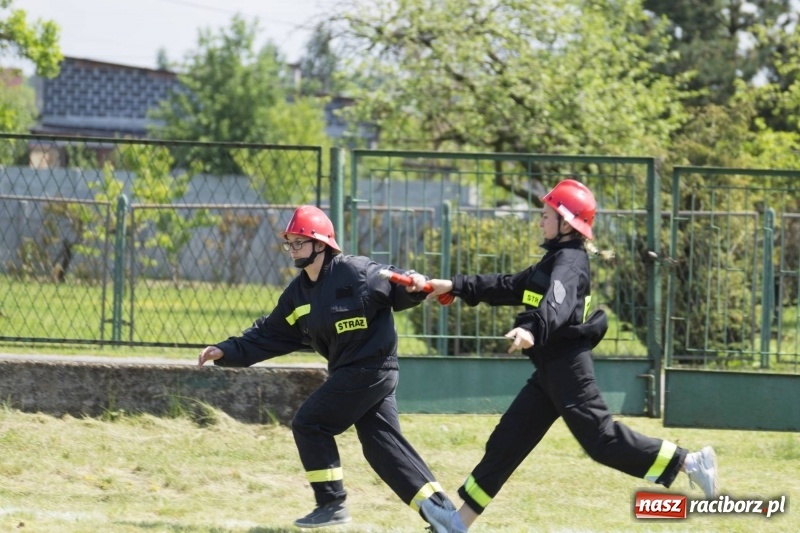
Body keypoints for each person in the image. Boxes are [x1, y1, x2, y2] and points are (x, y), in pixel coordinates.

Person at [415, 180, 719, 533]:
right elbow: (509, 285)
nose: (540, 221)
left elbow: (556, 303)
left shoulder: (570, 262)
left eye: (545, 215)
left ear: (566, 223)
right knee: (507, 441)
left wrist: (532, 329)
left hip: (567, 367)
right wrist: (454, 285)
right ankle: (457, 523)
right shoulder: (555, 258)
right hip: (549, 369)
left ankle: (691, 462)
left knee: (602, 440)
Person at [197, 205, 455, 529]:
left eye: (299, 242)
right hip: (357, 374)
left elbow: (393, 285)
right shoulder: (297, 294)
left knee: (310, 423)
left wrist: (414, 288)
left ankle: (331, 504)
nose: (292, 250)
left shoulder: (356, 272)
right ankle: (444, 515)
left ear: (321, 244)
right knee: (383, 450)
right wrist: (226, 350)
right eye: (289, 243)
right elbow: (270, 333)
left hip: (370, 368)